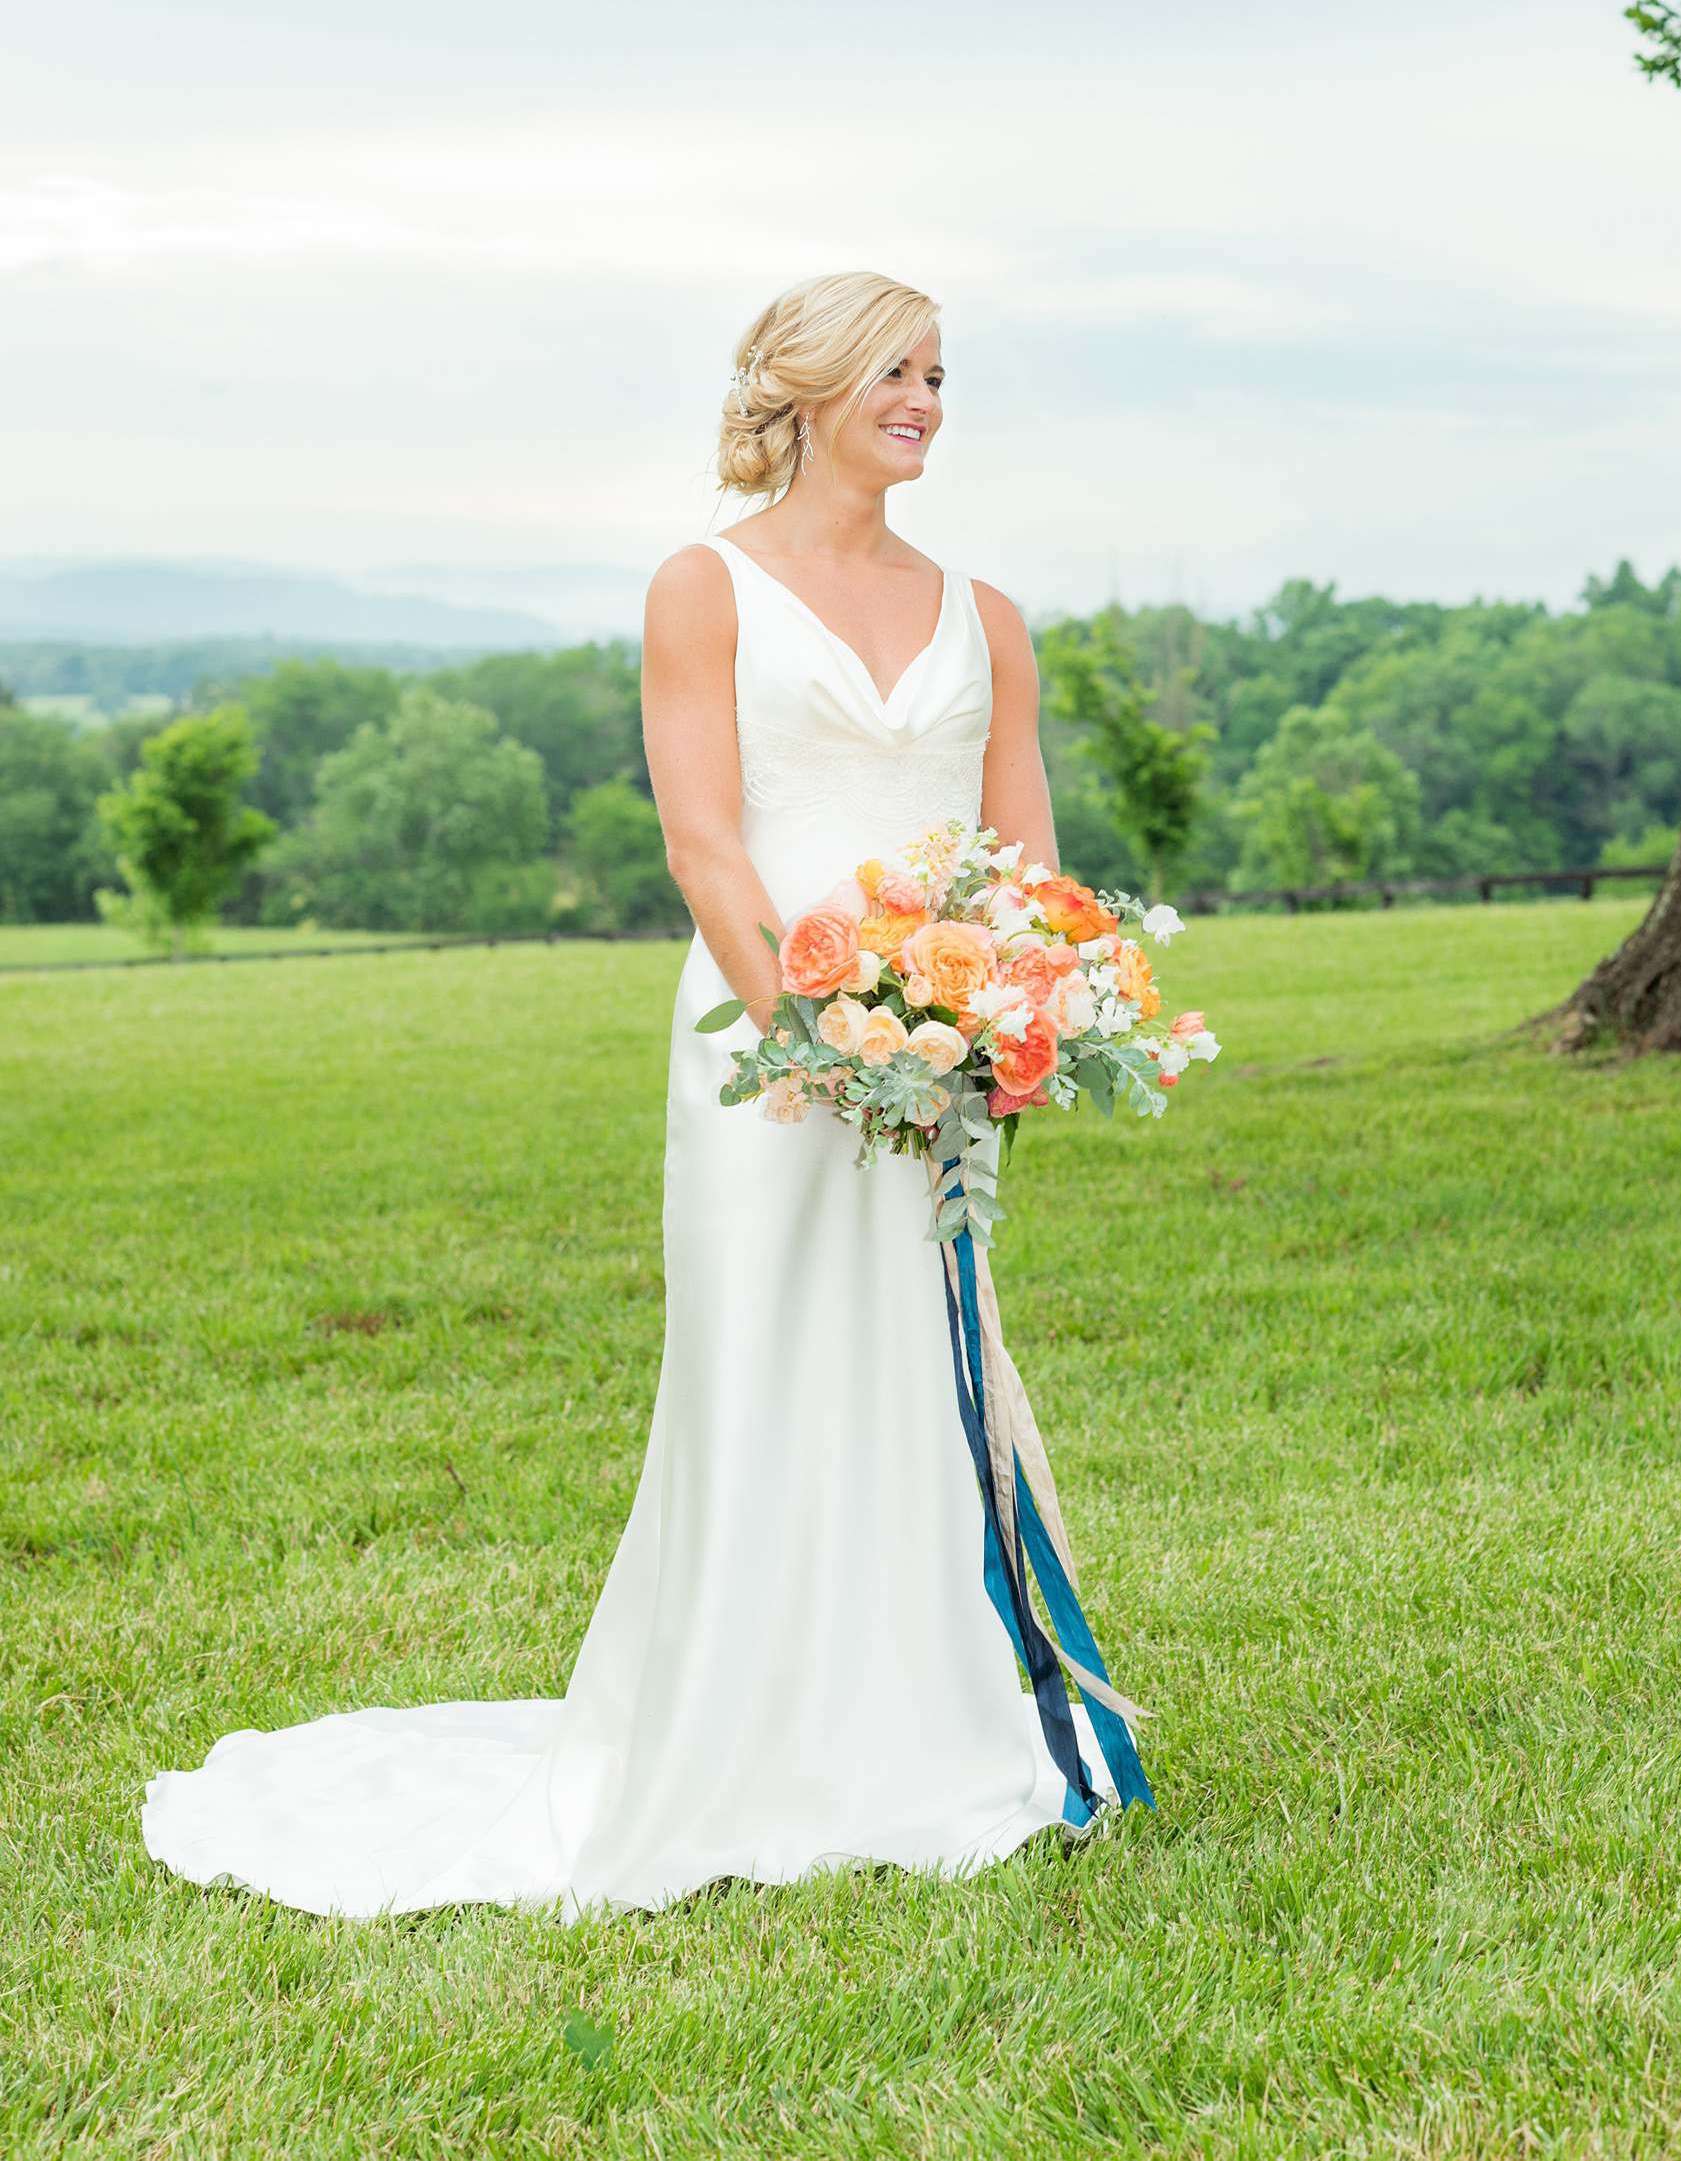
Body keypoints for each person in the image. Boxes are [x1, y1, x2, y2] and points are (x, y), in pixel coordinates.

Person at [142, 270, 1132, 1921]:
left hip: (939, 1054)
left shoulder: (991, 614)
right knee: (762, 1371)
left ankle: (926, 1719)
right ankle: (734, 1738)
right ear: (807, 385)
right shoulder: (706, 587)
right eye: (898, 369)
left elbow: (1030, 862)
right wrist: (816, 1037)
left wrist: (1018, 1016)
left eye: (943, 376)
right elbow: (706, 841)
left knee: (911, 1366)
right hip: (769, 1049)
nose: (928, 401)